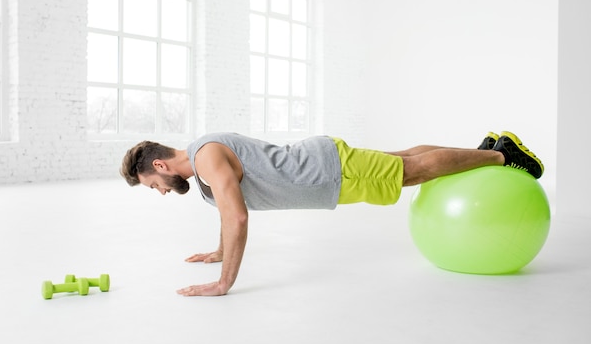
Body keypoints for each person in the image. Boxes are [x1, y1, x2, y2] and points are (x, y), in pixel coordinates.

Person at [120, 131, 543, 297]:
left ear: (158, 167)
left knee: (409, 172)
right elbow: (227, 216)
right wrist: (217, 251)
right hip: (326, 169)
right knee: (402, 164)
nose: (158, 192)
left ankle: (500, 156)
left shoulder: (207, 156)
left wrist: (224, 281)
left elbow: (238, 218)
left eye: (152, 185)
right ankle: (487, 147)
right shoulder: (204, 166)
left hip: (326, 169)